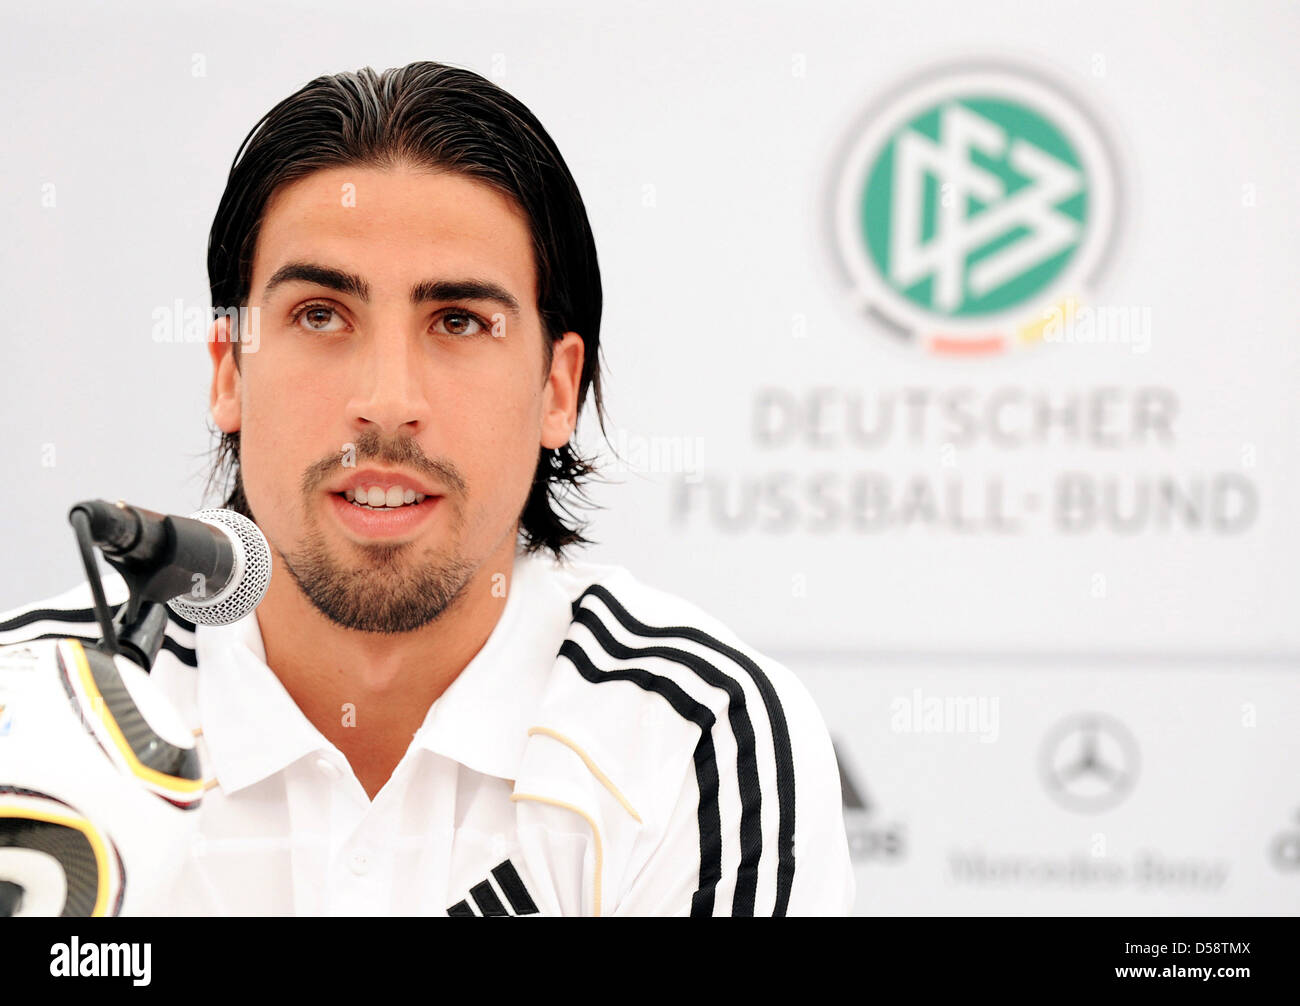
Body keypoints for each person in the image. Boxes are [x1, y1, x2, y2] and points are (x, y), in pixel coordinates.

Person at [0, 60, 854, 916]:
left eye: (458, 321)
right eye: (321, 315)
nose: (387, 404)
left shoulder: (695, 737)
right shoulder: (25, 707)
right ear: (229, 371)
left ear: (558, 389)